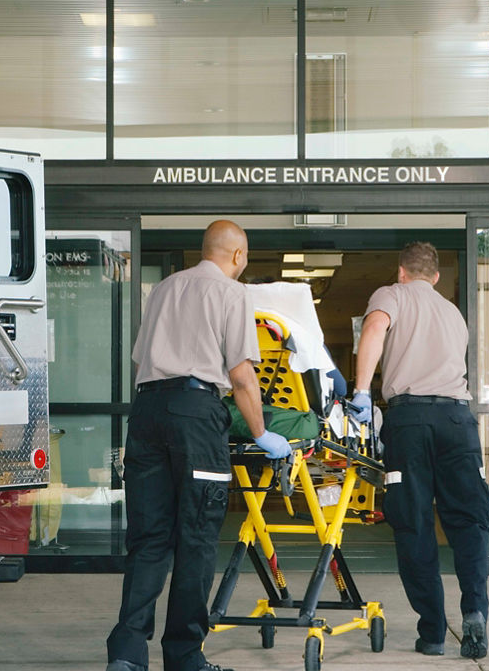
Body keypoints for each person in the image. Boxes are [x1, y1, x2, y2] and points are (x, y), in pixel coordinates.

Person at [106, 220, 292, 671]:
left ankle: (127, 656)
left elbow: (140, 361)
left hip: (147, 413)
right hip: (195, 414)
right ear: (237, 256)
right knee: (196, 539)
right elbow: (242, 374)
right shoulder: (232, 293)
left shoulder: (164, 290)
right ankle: (185, 657)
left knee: (148, 540)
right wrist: (262, 434)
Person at [351, 241, 489, 660]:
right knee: (469, 520)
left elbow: (375, 329)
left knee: (413, 523)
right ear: (434, 276)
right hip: (457, 420)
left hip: (410, 420)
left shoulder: (390, 295)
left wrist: (362, 391)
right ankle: (475, 613)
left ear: (401, 272)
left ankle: (432, 632)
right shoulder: (453, 312)